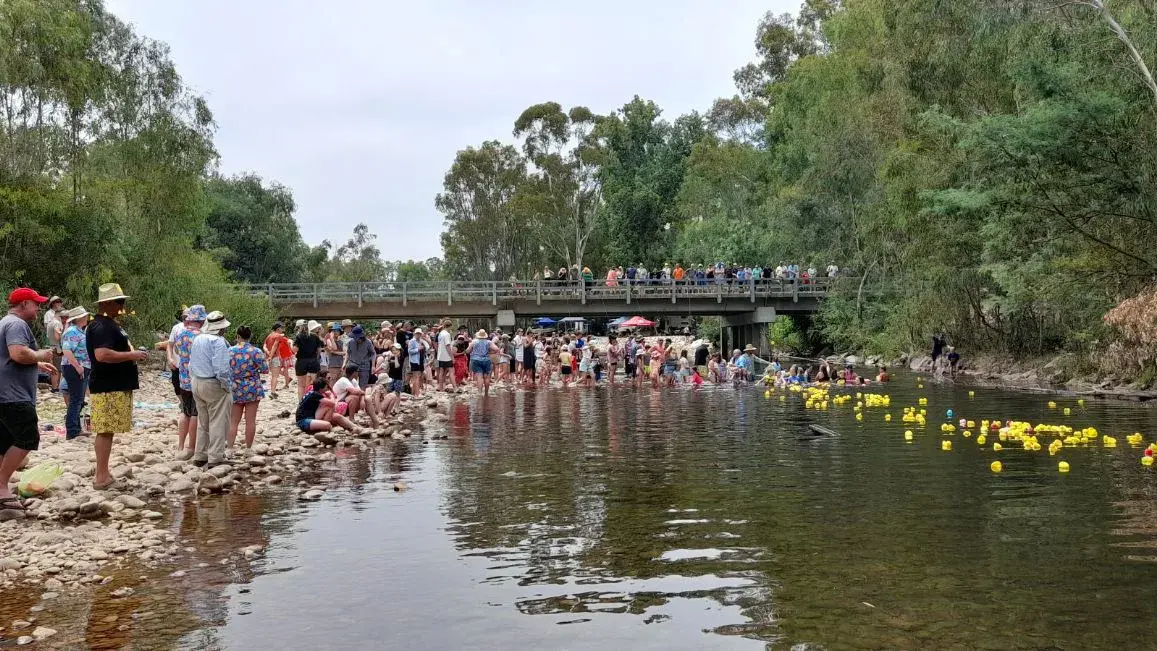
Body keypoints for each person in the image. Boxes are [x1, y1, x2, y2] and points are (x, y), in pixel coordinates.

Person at [0, 288, 55, 513]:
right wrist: (41, 355)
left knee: (5, 441)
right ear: (23, 304)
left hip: (4, 393)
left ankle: (1, 490)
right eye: (35, 303)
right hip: (14, 395)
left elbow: (7, 356)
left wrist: (36, 364)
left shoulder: (4, 322)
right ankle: (2, 487)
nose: (38, 308)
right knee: (28, 437)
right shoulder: (16, 324)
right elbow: (18, 353)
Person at [87, 283, 147, 490]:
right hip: (107, 385)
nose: (122, 306)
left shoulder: (108, 323)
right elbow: (102, 355)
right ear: (106, 303)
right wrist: (132, 355)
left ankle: (103, 472)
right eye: (119, 301)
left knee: (108, 429)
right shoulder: (100, 326)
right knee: (105, 430)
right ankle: (101, 476)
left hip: (113, 384)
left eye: (122, 302)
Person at [189, 311, 232, 468]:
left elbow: (191, 363)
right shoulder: (218, 342)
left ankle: (200, 455)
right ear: (221, 328)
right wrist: (226, 386)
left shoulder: (198, 338)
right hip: (212, 383)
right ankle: (215, 457)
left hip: (196, 381)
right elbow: (221, 369)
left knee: (203, 421)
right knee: (218, 421)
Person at [173, 305, 206, 458]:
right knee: (195, 413)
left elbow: (177, 351)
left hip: (183, 377)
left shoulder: (180, 334)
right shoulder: (201, 336)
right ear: (202, 320)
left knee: (184, 412)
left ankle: (180, 445)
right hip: (196, 378)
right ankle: (191, 447)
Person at [228, 325, 268, 451]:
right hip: (253, 387)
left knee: (233, 421)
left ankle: (229, 448)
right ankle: (248, 448)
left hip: (235, 387)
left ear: (237, 336)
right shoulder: (256, 351)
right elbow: (265, 369)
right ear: (250, 336)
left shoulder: (230, 351)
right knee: (250, 420)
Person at [60, 306, 92, 440]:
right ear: (79, 318)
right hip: (75, 367)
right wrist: (77, 366)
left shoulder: (78, 331)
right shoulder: (72, 331)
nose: (87, 318)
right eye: (85, 316)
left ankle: (76, 428)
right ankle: (72, 430)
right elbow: (67, 350)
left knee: (78, 399)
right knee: (76, 399)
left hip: (80, 366)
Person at [295, 379, 360, 434]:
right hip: (303, 420)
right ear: (321, 388)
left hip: (311, 416)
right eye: (326, 387)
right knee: (328, 425)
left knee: (336, 416)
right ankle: (326, 427)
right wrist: (331, 396)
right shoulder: (315, 395)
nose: (327, 388)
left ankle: (355, 427)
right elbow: (333, 403)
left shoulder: (313, 392)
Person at [293, 320, 324, 400]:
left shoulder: (298, 336)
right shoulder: (315, 336)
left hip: (301, 362)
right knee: (315, 383)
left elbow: (295, 350)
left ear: (299, 328)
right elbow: (319, 350)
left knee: (301, 385)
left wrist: (290, 344)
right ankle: (315, 400)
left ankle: (301, 402)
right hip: (313, 361)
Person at [263, 322, 293, 398]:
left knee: (273, 375)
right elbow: (275, 345)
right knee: (275, 376)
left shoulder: (269, 336)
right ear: (278, 328)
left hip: (269, 357)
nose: (282, 330)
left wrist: (268, 353)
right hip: (275, 357)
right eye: (282, 328)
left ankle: (273, 391)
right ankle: (273, 392)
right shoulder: (278, 336)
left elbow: (264, 346)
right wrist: (271, 355)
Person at [43, 295, 64, 393]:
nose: (58, 303)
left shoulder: (55, 320)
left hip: (54, 344)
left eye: (59, 301)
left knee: (57, 367)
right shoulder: (50, 316)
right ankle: (55, 387)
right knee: (57, 367)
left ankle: (56, 386)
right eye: (56, 302)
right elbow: (54, 334)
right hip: (55, 344)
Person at [470, 330, 500, 395]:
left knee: (479, 377)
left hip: (476, 360)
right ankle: (486, 393)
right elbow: (497, 349)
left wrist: (473, 352)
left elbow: (468, 350)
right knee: (487, 377)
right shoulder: (488, 342)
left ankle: (480, 393)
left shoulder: (474, 342)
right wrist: (490, 352)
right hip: (486, 360)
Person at [435, 318, 455, 391]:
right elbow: (447, 346)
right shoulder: (447, 334)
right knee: (451, 371)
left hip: (440, 355)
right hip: (447, 356)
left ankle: (440, 387)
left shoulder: (440, 333)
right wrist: (452, 357)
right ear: (450, 326)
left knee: (441, 372)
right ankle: (455, 387)